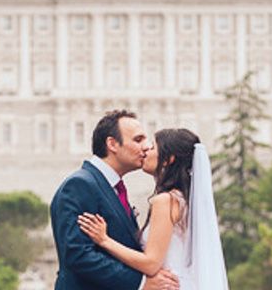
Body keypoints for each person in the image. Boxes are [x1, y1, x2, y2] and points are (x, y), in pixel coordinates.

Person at [78, 128, 229, 290]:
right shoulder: (183, 200)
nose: (145, 152)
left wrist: (104, 240)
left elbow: (151, 263)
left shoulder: (166, 201)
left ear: (168, 159)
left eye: (152, 148)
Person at [50, 110, 181, 290]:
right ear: (112, 144)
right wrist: (140, 283)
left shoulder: (112, 186)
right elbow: (78, 255)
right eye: (138, 140)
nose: (146, 147)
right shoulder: (80, 185)